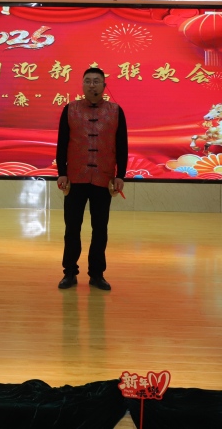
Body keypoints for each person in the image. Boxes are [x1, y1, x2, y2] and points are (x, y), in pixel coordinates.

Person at [55, 67, 128, 291]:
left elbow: (122, 145)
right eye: (88, 81)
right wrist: (62, 172)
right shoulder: (70, 109)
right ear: (82, 85)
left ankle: (97, 274)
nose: (92, 85)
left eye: (96, 81)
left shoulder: (116, 111)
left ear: (104, 86)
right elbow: (62, 143)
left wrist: (120, 175)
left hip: (103, 178)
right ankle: (69, 273)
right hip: (76, 177)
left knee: (100, 229)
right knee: (72, 228)